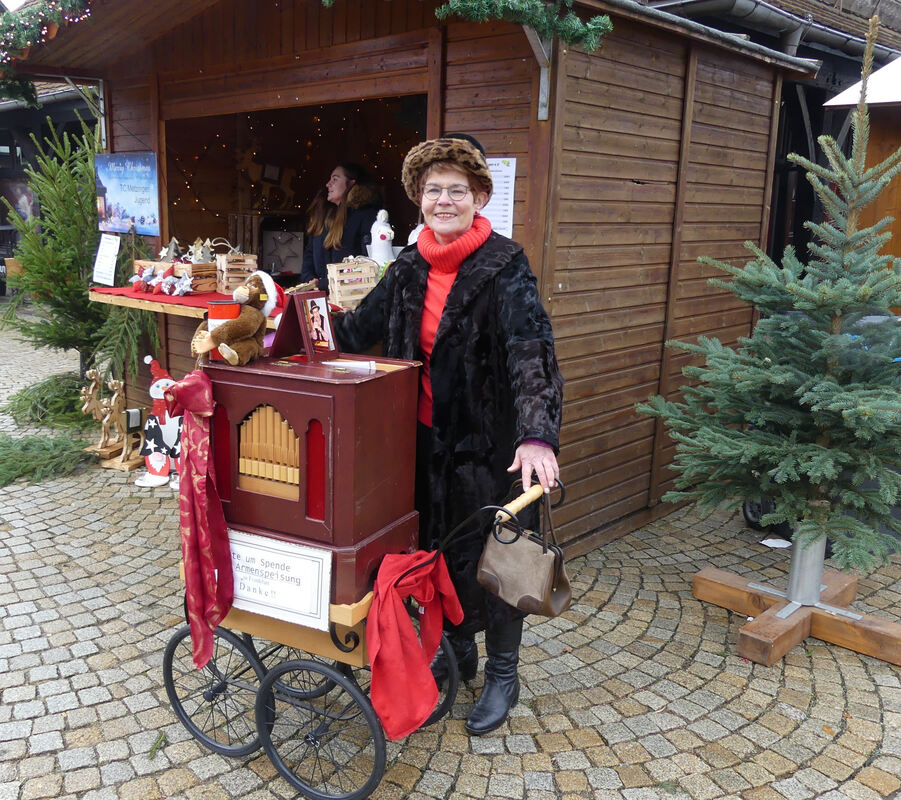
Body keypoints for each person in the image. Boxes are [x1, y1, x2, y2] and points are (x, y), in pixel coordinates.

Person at [334, 134, 564, 735]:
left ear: (479, 196)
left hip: (491, 447)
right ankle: (455, 656)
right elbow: (355, 331)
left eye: (456, 191)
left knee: (502, 559)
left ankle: (503, 675)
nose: (443, 201)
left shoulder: (505, 265)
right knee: (436, 553)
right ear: (418, 199)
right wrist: (288, 313)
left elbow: (531, 351)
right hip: (425, 445)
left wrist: (537, 436)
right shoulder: (407, 267)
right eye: (432, 190)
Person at [300, 163, 381, 292]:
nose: (328, 184)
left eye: (335, 179)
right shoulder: (324, 215)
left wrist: (322, 284)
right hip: (318, 296)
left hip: (350, 298)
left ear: (351, 184)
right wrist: (309, 281)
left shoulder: (365, 216)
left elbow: (366, 263)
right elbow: (309, 255)